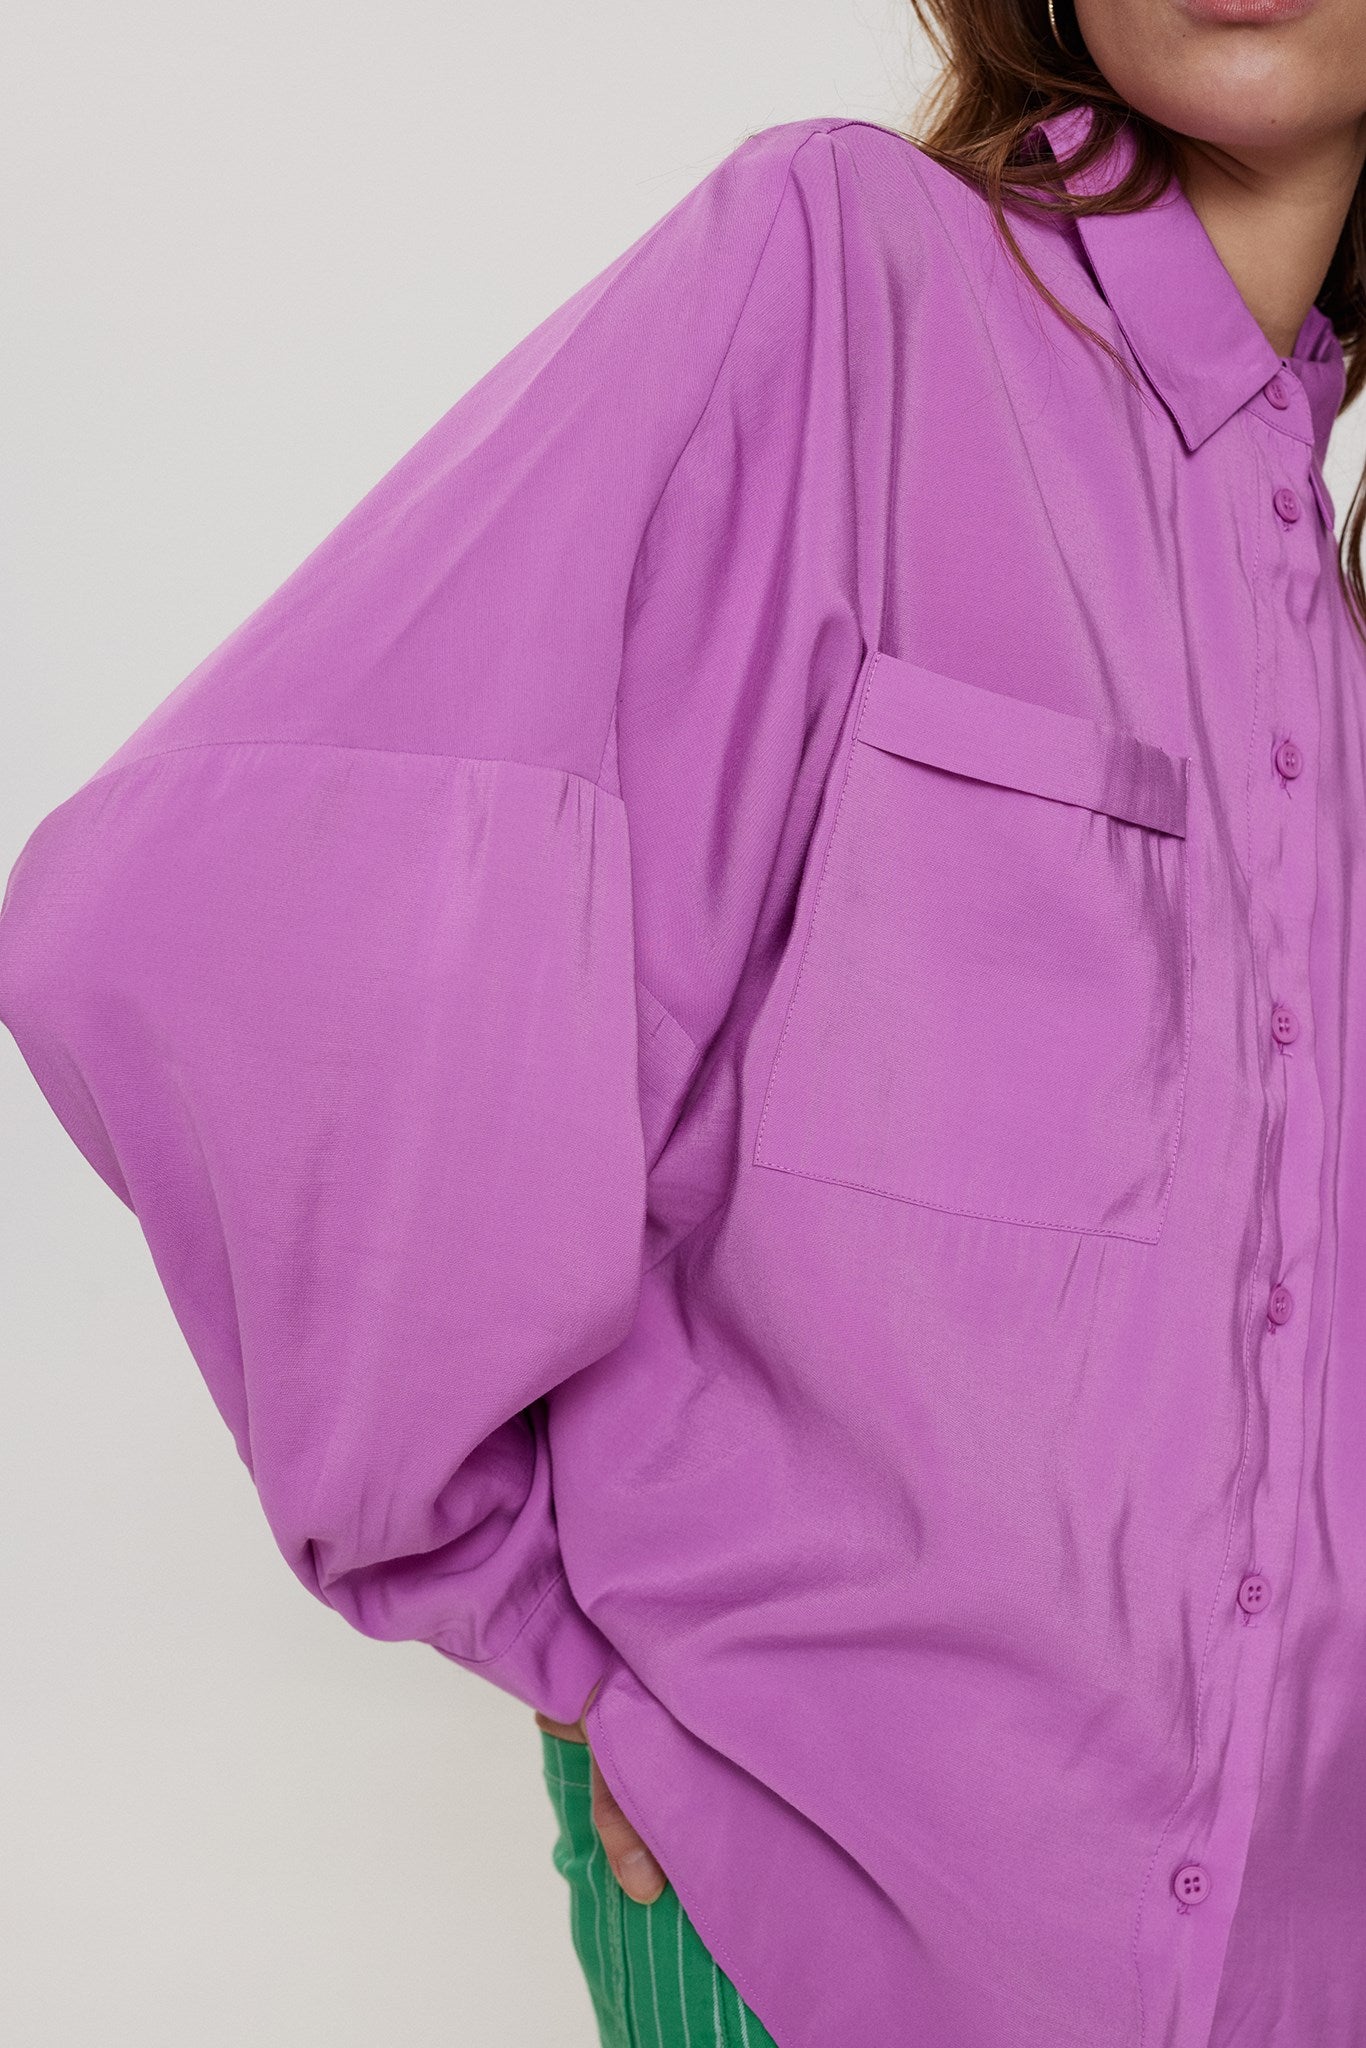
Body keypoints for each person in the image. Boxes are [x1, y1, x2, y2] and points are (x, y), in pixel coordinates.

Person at [3, 0, 1366, 2038]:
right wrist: (527, 1601)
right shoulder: (844, 275)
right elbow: (211, 909)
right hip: (798, 1905)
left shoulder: (1322, 615)